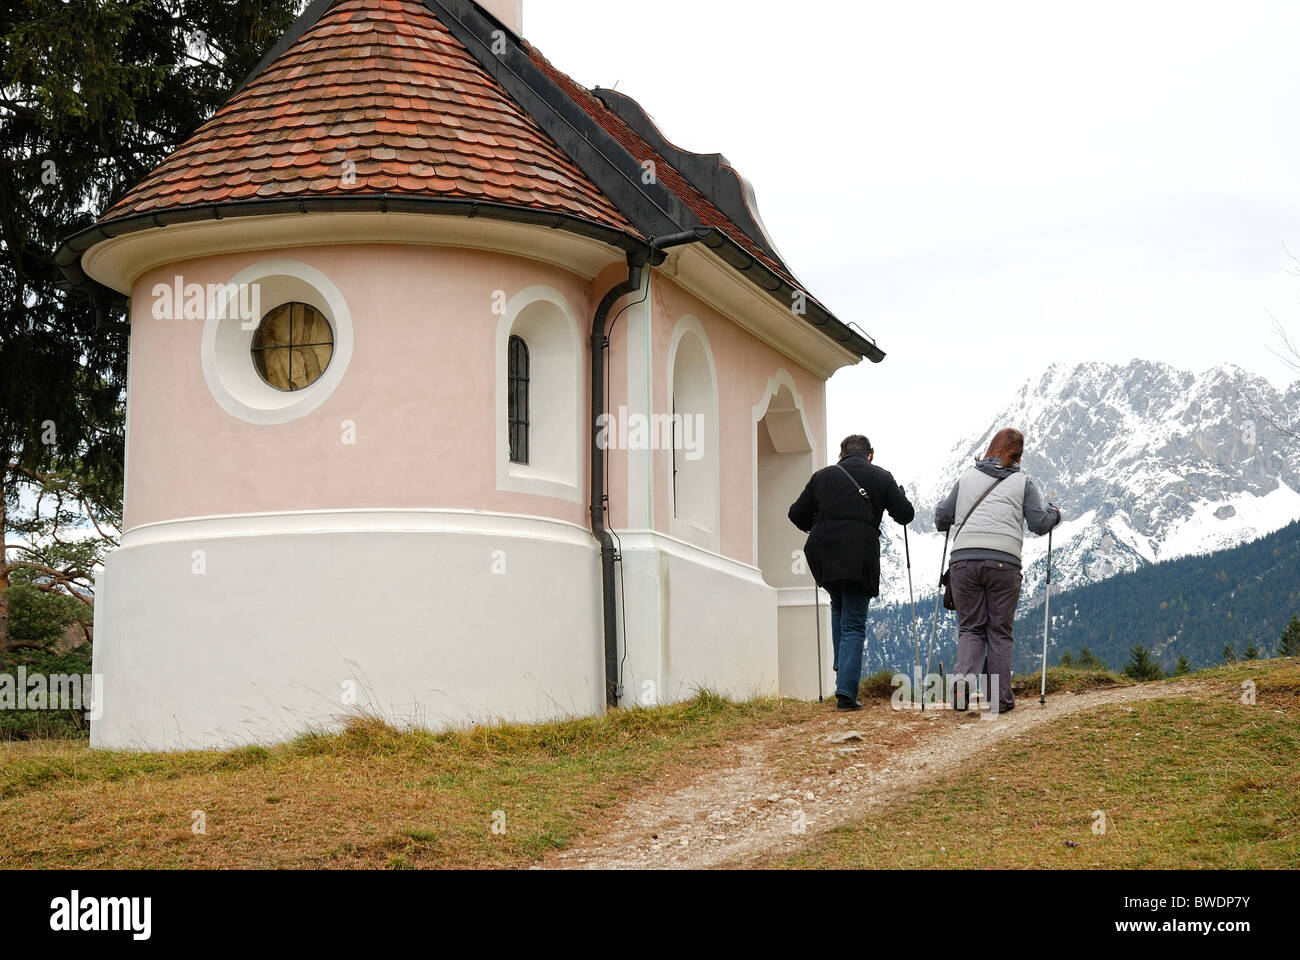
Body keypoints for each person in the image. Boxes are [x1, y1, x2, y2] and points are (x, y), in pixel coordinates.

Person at [934, 428, 1062, 714]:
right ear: (1019, 454)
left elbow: (942, 517)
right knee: (999, 631)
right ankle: (999, 700)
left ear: (991, 447)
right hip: (1004, 563)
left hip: (963, 562)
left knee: (970, 628)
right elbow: (1039, 524)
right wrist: (1056, 514)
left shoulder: (967, 477)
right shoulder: (1023, 482)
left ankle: (961, 686)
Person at [789, 435, 915, 711]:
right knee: (854, 622)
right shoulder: (881, 476)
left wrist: (821, 524)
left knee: (839, 605)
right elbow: (905, 515)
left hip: (823, 552)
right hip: (859, 552)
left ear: (841, 455)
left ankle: (841, 668)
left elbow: (796, 514)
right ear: (870, 454)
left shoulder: (822, 477)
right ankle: (846, 691)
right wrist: (901, 495)